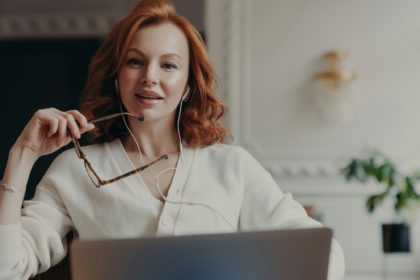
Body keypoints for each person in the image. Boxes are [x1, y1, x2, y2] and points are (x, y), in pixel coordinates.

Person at [0, 0, 345, 279]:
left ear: (187, 87)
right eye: (135, 61)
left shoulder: (232, 167)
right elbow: (8, 267)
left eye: (168, 66)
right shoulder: (75, 170)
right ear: (117, 76)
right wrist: (23, 155)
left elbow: (325, 257)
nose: (149, 77)